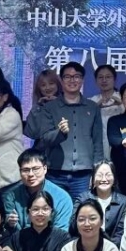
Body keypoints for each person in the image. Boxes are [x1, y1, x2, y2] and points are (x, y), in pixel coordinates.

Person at [26, 61, 104, 202]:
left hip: (83, 174)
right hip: (55, 172)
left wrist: (98, 170)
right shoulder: (50, 107)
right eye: (67, 77)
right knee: (54, 209)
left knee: (82, 210)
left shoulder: (92, 107)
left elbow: (97, 142)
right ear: (61, 81)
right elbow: (45, 138)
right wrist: (60, 133)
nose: (72, 80)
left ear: (82, 80)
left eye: (76, 76)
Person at [4, 149, 73, 232]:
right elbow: (11, 230)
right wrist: (10, 224)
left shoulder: (62, 197)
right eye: (25, 170)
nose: (31, 174)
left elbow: (61, 232)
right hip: (19, 239)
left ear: (45, 169)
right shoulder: (11, 195)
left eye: (35, 169)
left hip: (52, 239)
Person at [78, 160, 126, 244]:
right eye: (99, 175)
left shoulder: (123, 201)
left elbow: (121, 233)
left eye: (108, 175)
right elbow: (75, 227)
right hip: (86, 245)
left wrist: (107, 247)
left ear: (114, 178)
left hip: (113, 248)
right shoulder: (83, 198)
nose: (104, 179)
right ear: (93, 179)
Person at [90, 64, 124, 158]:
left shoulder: (123, 98)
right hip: (98, 147)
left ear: (114, 79)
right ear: (96, 81)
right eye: (100, 77)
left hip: (120, 145)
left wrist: (121, 104)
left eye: (108, 77)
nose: (104, 80)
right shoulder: (92, 101)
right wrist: (95, 108)